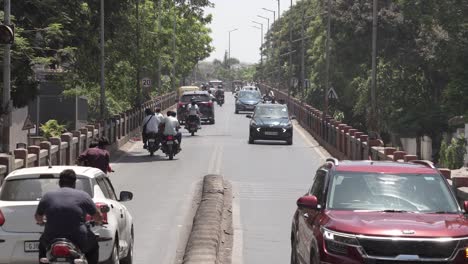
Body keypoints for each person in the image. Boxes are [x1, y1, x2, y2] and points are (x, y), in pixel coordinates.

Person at [35, 169, 103, 264]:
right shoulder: (83, 196)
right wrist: (99, 221)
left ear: (59, 182)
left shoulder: (47, 196)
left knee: (42, 247)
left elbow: (38, 217)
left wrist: (41, 222)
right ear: (74, 183)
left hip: (51, 237)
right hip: (79, 238)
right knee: (93, 246)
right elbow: (98, 216)